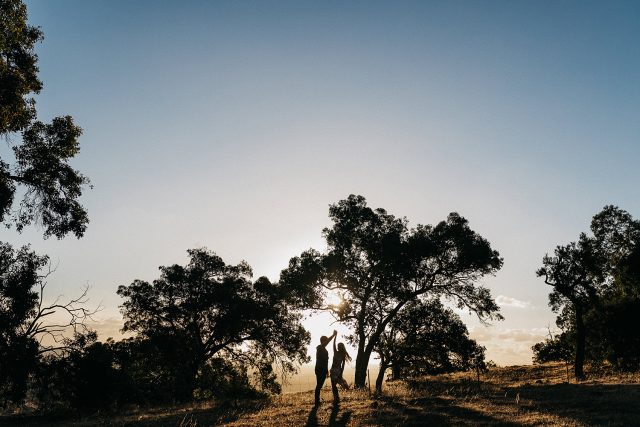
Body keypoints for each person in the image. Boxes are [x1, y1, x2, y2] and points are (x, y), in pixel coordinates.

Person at [314, 330, 336, 405]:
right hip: (319, 369)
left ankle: (317, 400)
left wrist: (327, 371)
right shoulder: (320, 347)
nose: (327, 343)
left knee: (319, 385)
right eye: (326, 341)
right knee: (319, 385)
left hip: (323, 369)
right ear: (323, 341)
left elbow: (326, 362)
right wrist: (333, 335)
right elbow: (326, 342)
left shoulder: (324, 350)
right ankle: (317, 401)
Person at [330, 332, 352, 404]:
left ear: (341, 347)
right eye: (338, 346)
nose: (337, 347)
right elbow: (343, 365)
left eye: (339, 346)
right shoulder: (340, 353)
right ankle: (337, 397)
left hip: (335, 370)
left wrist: (335, 336)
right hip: (336, 370)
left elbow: (343, 365)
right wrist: (335, 336)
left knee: (334, 385)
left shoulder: (338, 353)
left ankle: (336, 398)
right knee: (334, 384)